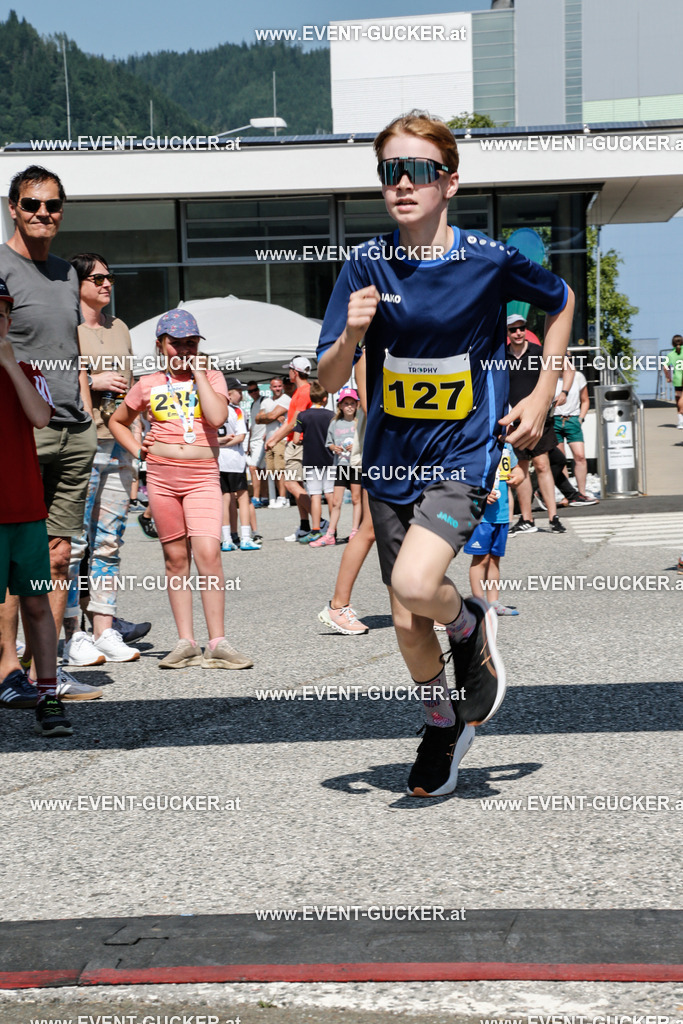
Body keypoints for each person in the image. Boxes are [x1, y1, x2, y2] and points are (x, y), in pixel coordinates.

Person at [317, 110, 574, 797]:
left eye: (418, 170)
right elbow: (328, 378)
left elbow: (562, 299)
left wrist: (542, 392)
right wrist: (351, 335)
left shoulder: (487, 260)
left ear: (449, 183)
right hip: (390, 461)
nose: (402, 183)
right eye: (389, 172)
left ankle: (467, 623)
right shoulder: (364, 265)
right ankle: (443, 723)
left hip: (463, 453)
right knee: (406, 622)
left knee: (412, 586)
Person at [0, 165, 100, 701]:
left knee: (59, 555)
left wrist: (85, 409)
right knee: (15, 559)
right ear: (13, 208)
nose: (43, 213)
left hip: (73, 430)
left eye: (53, 205)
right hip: (20, 432)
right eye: (32, 203)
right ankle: (6, 672)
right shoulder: (0, 267)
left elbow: (71, 347)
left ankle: (47, 671)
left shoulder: (66, 273)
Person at [109, 310, 253, 670]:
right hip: (161, 478)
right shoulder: (147, 383)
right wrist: (138, 450)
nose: (185, 349)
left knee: (209, 554)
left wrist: (200, 373)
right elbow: (117, 421)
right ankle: (185, 642)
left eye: (191, 342)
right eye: (177, 343)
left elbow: (217, 418)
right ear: (161, 345)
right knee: (175, 559)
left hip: (202, 476)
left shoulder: (213, 377)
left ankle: (217, 642)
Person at [62, 253, 144, 666]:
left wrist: (138, 447)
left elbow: (133, 389)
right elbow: (53, 378)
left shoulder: (120, 327)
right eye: (97, 278)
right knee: (73, 544)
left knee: (110, 542)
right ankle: (72, 635)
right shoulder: (66, 327)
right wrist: (92, 381)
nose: (107, 283)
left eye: (109, 277)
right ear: (77, 284)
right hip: (82, 444)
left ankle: (104, 629)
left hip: (119, 444)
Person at [0, 277, 72, 734]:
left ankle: (48, 696)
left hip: (25, 511)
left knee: (38, 604)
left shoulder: (28, 371)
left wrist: (9, 363)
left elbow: (41, 417)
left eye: (0, 314)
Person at [506, 314, 571, 535]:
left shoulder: (539, 352)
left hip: (539, 418)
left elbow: (567, 369)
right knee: (520, 468)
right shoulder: (501, 356)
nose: (518, 333)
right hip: (515, 420)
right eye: (513, 329)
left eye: (521, 328)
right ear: (507, 333)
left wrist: (564, 392)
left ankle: (553, 518)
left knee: (543, 465)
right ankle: (526, 519)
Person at [464, 442, 523, 616]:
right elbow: (465, 476)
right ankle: (478, 603)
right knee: (480, 559)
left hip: (501, 514)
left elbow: (516, 468)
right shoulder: (476, 445)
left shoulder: (507, 447)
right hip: (480, 516)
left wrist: (518, 475)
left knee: (494, 559)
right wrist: (481, 493)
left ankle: (493, 602)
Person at [264, 356, 313, 540]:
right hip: (297, 443)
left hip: (299, 443)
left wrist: (274, 439)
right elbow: (291, 421)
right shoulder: (301, 391)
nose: (288, 374)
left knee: (290, 483)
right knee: (297, 484)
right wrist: (275, 438)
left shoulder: (303, 391)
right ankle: (306, 526)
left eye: (290, 370)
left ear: (294, 372)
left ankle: (320, 522)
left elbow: (293, 422)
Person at [311, 387, 362, 546]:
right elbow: (329, 443)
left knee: (356, 499)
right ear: (340, 405)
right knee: (336, 501)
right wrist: (334, 448)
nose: (349, 406)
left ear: (357, 405)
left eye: (352, 403)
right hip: (340, 465)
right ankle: (330, 534)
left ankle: (355, 532)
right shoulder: (334, 423)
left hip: (356, 465)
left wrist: (356, 446)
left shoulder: (360, 422)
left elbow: (365, 442)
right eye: (346, 403)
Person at [217, 378, 261, 551]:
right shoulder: (236, 411)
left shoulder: (212, 410)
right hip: (235, 459)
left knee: (224, 498)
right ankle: (246, 537)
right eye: (239, 391)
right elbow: (241, 436)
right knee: (243, 497)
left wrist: (218, 442)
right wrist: (225, 442)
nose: (242, 395)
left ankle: (227, 539)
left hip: (218, 459)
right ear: (229, 394)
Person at [293, 381, 335, 544]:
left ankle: (316, 530)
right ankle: (332, 530)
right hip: (329, 459)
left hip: (311, 460)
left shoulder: (302, 416)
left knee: (315, 495)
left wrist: (306, 440)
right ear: (325, 398)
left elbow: (296, 440)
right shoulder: (331, 415)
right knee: (330, 494)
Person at [552, 361, 597, 503]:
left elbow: (585, 400)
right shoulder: (550, 376)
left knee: (580, 456)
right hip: (555, 419)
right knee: (561, 460)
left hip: (572, 419)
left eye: (567, 358)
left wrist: (581, 418)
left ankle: (581, 493)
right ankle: (567, 495)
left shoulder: (578, 376)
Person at [256, 377, 290, 506]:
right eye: (275, 386)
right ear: (270, 388)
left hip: (281, 439)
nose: (277, 389)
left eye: (279, 386)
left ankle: (283, 498)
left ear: (283, 387)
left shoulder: (286, 399)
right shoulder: (266, 401)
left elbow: (268, 416)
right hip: (269, 440)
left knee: (281, 470)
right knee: (272, 471)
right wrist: (271, 417)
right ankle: (276, 497)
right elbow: (257, 419)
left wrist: (267, 417)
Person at [245, 381, 268, 507]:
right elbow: (252, 426)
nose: (253, 392)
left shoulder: (265, 400)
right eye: (250, 391)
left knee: (253, 468)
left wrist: (267, 434)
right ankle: (264, 497)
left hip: (261, 440)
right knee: (261, 470)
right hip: (254, 440)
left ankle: (256, 497)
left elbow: (272, 416)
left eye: (255, 390)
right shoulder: (253, 404)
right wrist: (248, 443)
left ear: (259, 390)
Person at [664, 334, 683, 428]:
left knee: (678, 398)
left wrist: (668, 377)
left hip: (677, 378)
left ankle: (681, 420)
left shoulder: (670, 354)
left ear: (672, 344)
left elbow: (665, 367)